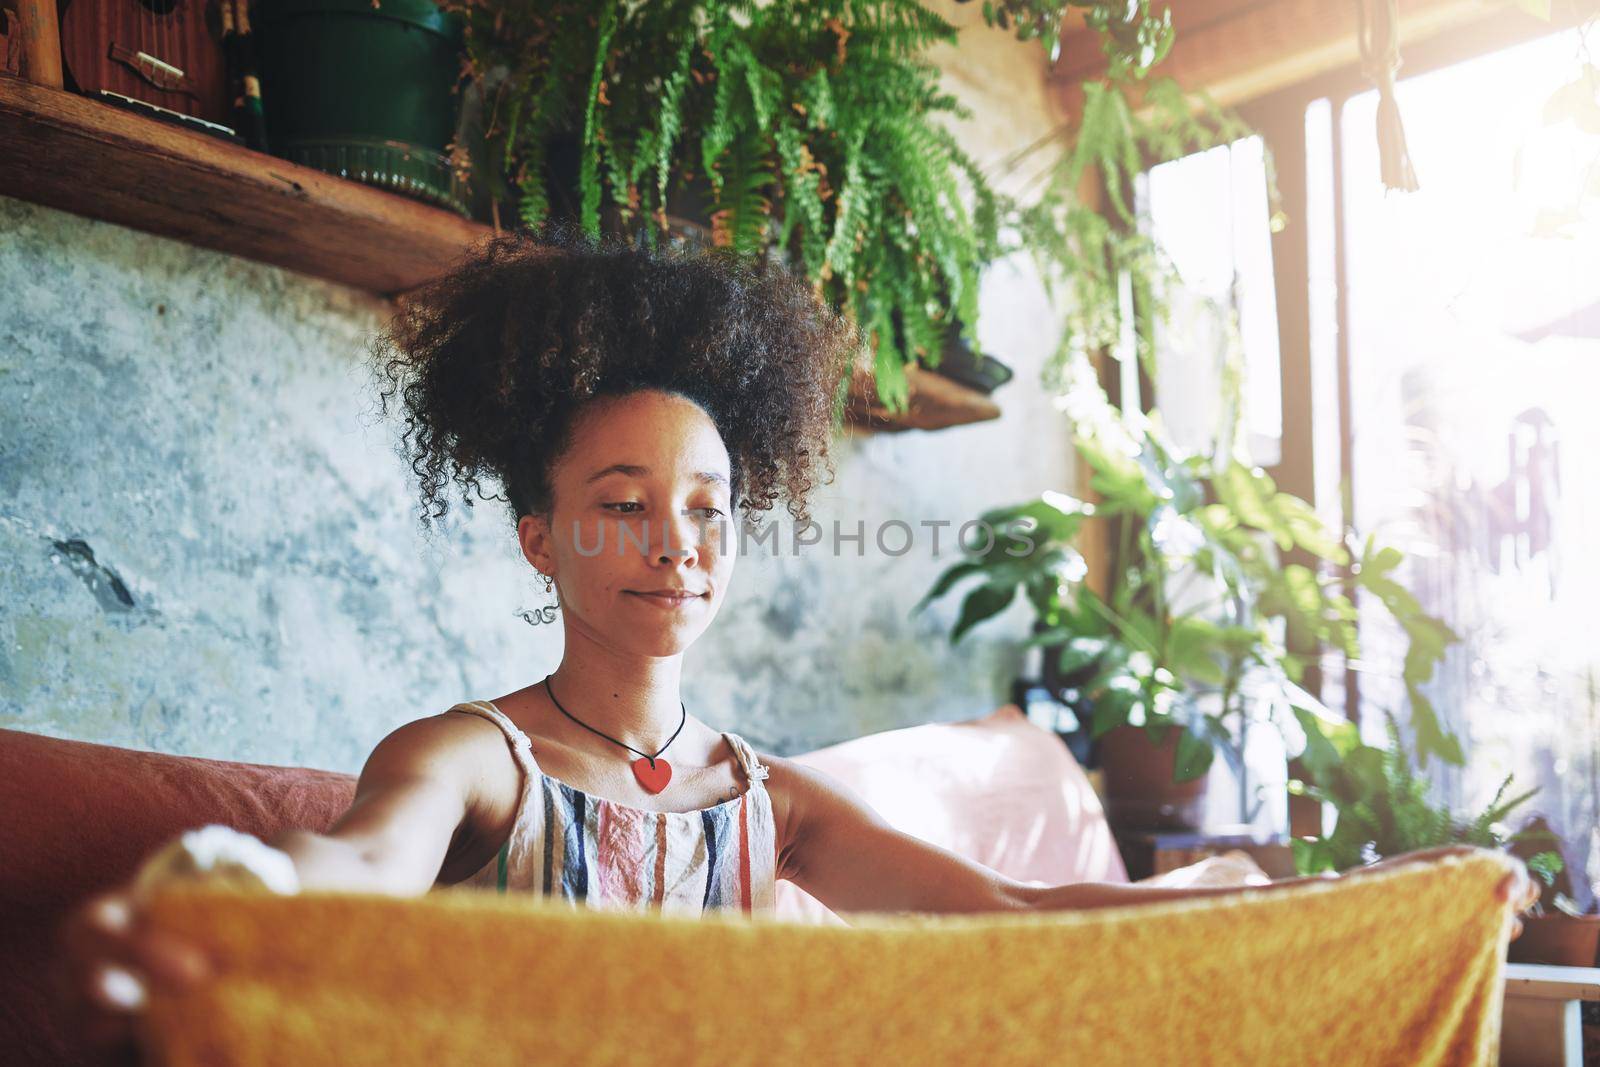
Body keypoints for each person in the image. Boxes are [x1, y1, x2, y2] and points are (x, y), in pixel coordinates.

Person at [64, 223, 1541, 1055]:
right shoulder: (475, 761)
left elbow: (1020, 926)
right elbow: (356, 862)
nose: (673, 544)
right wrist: (245, 882)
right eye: (622, 503)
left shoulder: (768, 801)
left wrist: (1360, 895)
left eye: (706, 508)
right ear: (541, 536)